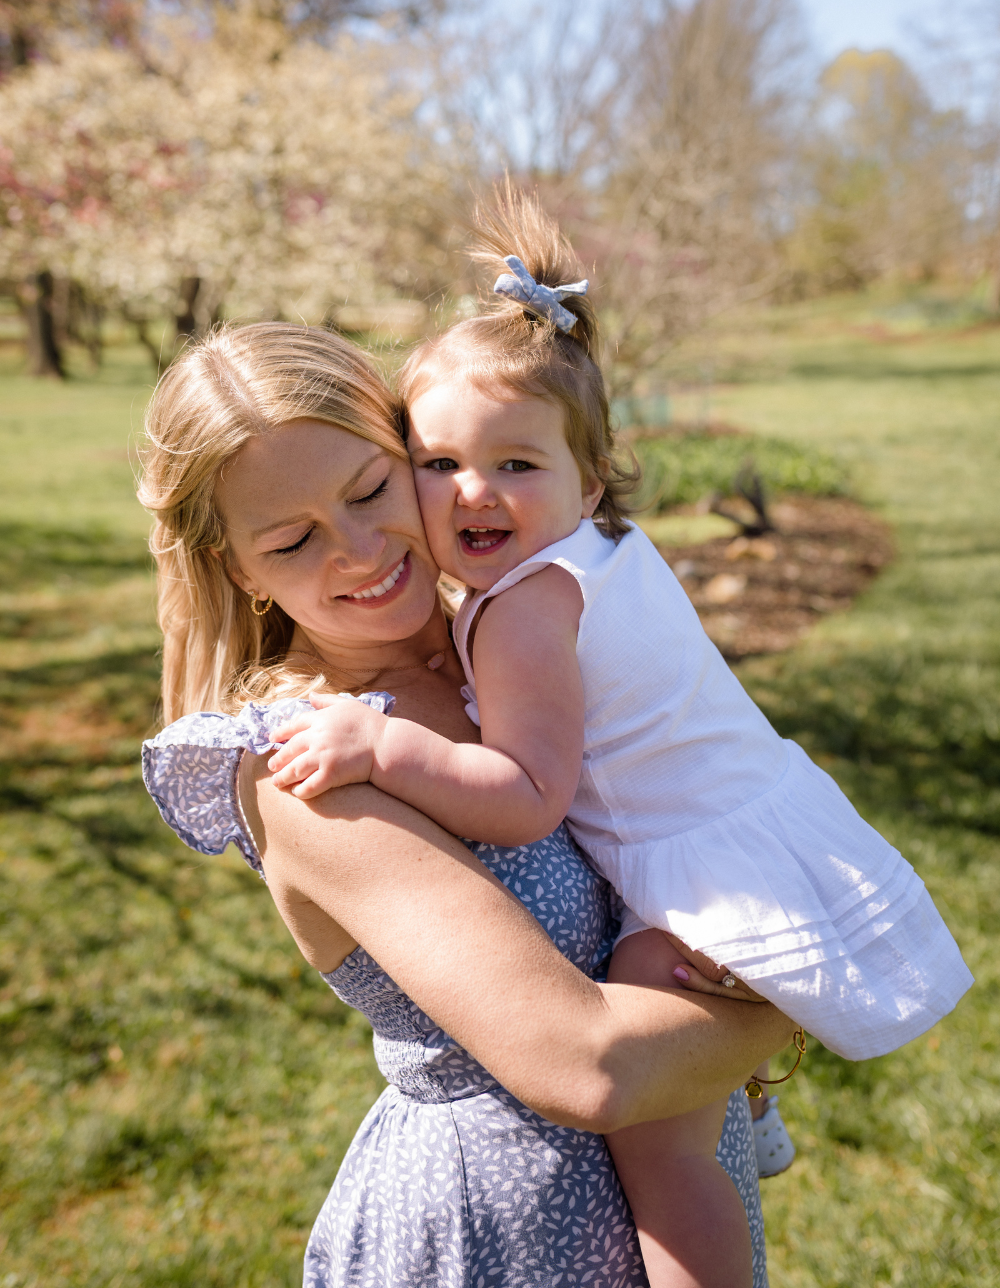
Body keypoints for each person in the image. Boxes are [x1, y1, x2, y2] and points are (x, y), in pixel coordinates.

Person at [267, 186, 974, 1288]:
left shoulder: (519, 612)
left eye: (515, 465)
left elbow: (528, 792)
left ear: (588, 479)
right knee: (689, 1107)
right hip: (755, 818)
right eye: (438, 461)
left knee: (665, 1149)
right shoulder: (603, 555)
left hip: (698, 866)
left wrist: (382, 748)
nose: (472, 491)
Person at [139, 319, 794, 1288]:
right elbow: (586, 1067)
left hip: (671, 1166)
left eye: (371, 489)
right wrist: (801, 992)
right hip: (504, 1226)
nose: (360, 551)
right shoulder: (307, 767)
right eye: (291, 540)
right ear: (239, 568)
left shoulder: (513, 639)